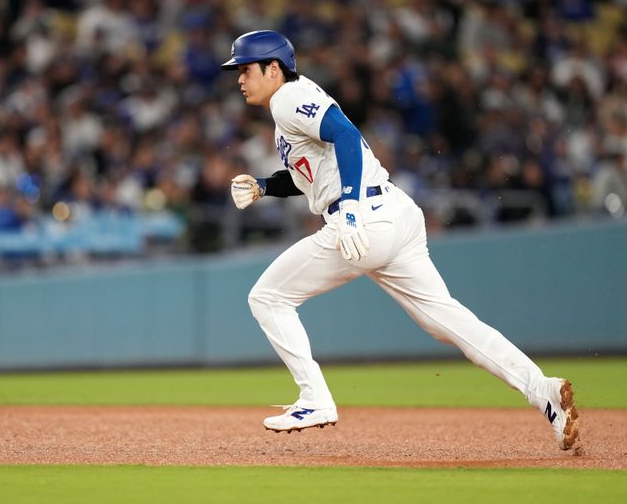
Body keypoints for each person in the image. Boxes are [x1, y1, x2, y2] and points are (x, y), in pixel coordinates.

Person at [222, 30, 580, 450]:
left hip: (363, 219)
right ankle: (544, 392)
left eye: (246, 69)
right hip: (394, 214)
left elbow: (346, 135)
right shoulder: (288, 110)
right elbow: (316, 173)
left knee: (267, 298)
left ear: (274, 68)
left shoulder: (286, 98)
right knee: (450, 323)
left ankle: (314, 398)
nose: (240, 79)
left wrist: (352, 208)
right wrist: (265, 186)